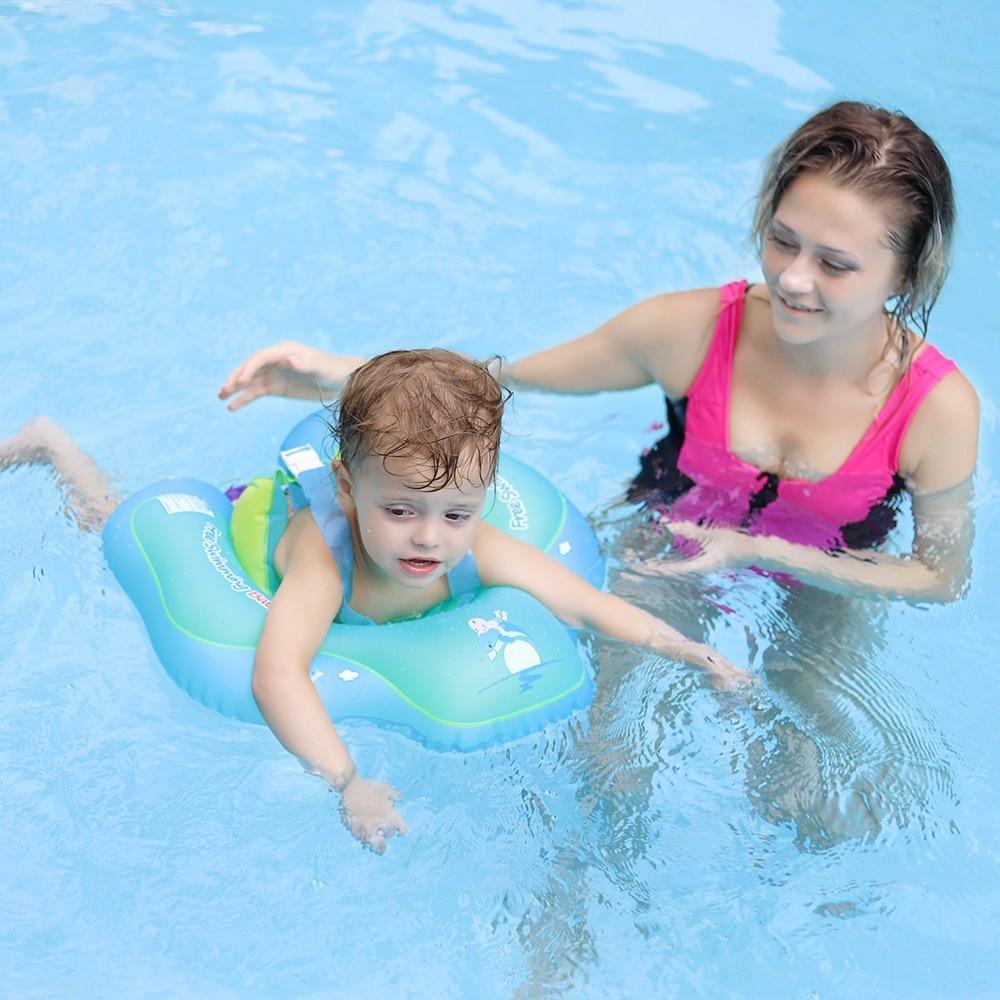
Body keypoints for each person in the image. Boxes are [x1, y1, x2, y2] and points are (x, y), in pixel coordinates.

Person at [218, 101, 979, 602]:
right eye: (782, 241)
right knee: (616, 736)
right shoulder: (689, 331)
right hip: (666, 532)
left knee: (811, 774)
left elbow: (939, 576)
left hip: (828, 582)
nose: (792, 278)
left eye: (835, 264)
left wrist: (760, 550)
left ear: (905, 275)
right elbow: (517, 377)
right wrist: (347, 375)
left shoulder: (935, 409)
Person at [0, 350, 750, 854]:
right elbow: (277, 672)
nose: (429, 537)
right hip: (250, 531)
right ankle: (54, 448)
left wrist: (681, 647)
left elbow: (581, 604)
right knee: (104, 518)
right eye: (400, 511)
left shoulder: (469, 540)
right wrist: (347, 779)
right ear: (350, 489)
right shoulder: (326, 563)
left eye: (456, 513)